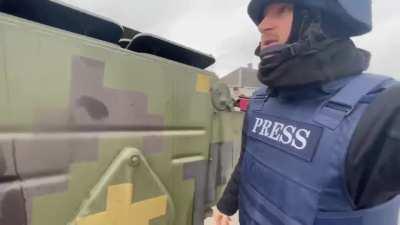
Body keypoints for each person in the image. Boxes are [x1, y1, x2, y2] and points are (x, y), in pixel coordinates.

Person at [213, 0, 400, 225]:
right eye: (263, 15)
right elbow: (248, 159)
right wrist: (226, 205)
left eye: (282, 10)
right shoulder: (261, 101)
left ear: (319, 20)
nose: (263, 25)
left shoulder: (380, 111)